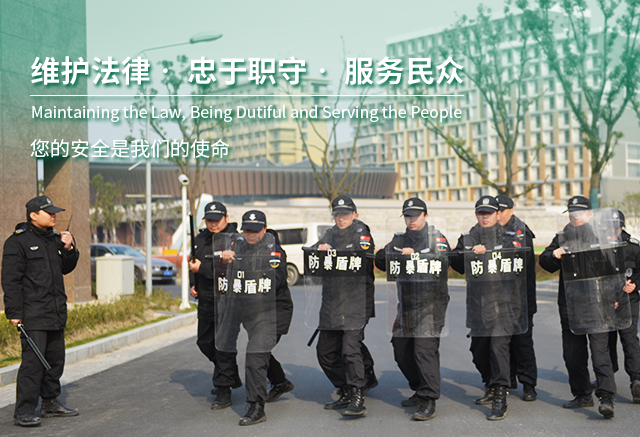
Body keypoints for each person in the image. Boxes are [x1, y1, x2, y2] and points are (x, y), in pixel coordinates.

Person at [2, 195, 80, 427]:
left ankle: (50, 402)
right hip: (33, 313)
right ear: (33, 215)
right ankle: (24, 410)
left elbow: (66, 267)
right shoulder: (17, 242)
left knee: (55, 360)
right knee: (33, 364)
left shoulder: (53, 240)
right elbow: (11, 280)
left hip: (55, 311)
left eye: (54, 212)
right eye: (49, 212)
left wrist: (69, 248)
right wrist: (14, 313)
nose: (54, 215)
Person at [539, 196, 616, 419]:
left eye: (579, 212)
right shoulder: (562, 236)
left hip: (597, 302)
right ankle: (582, 394)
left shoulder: (601, 235)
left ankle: (606, 397)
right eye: (571, 213)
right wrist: (554, 255)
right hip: (570, 304)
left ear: (590, 214)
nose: (575, 217)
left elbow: (615, 266)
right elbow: (544, 261)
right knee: (573, 354)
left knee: (600, 353)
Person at [374, 197, 450, 421]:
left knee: (424, 350)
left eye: (416, 215)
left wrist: (416, 256)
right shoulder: (399, 239)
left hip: (431, 303)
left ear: (425, 215)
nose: (412, 220)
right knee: (401, 349)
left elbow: (444, 261)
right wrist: (396, 254)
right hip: (406, 304)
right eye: (408, 216)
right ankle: (419, 387)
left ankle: (429, 398)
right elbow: (381, 260)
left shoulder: (437, 238)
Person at [217, 210, 294, 426]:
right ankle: (280, 382)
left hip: (273, 311)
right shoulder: (238, 246)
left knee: (255, 355)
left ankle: (256, 406)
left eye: (255, 230)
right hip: (250, 310)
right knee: (260, 353)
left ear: (265, 229)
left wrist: (252, 267)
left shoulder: (274, 250)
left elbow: (277, 279)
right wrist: (227, 261)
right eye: (247, 230)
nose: (250, 234)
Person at [450, 195, 523, 421]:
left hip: (504, 302)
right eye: (481, 213)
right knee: (478, 351)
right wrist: (469, 254)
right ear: (476, 215)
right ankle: (490, 383)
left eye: (489, 213)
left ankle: (500, 393)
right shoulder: (468, 238)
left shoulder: (510, 237)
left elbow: (518, 262)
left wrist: (489, 254)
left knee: (498, 348)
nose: (485, 217)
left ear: (497, 215)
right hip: (478, 304)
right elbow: (456, 263)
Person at [313, 195, 376, 417]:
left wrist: (337, 253)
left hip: (356, 302)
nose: (341, 218)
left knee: (350, 349)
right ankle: (346, 389)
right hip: (332, 303)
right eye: (337, 214)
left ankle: (358, 394)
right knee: (325, 351)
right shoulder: (330, 233)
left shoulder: (362, 233)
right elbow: (312, 255)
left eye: (346, 214)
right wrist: (319, 249)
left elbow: (364, 256)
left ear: (354, 215)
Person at [188, 201, 242, 409]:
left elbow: (229, 269)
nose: (212, 224)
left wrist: (201, 269)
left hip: (227, 301)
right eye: (209, 220)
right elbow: (193, 264)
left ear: (226, 218)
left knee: (223, 346)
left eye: (216, 220)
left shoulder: (235, 240)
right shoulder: (200, 239)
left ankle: (223, 389)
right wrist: (194, 284)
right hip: (206, 300)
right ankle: (229, 374)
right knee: (204, 342)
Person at [496, 195, 538, 401]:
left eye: (501, 211)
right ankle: (508, 378)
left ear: (511, 211)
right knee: (502, 343)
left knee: (522, 342)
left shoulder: (521, 233)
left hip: (520, 299)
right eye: (495, 211)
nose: (497, 215)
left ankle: (529, 384)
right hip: (497, 299)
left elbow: (522, 263)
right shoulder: (489, 230)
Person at [601, 209, 640, 403]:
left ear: (622, 227)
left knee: (630, 339)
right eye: (609, 226)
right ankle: (606, 381)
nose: (613, 230)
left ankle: (637, 380)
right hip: (605, 301)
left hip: (628, 301)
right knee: (605, 342)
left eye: (616, 226)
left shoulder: (633, 247)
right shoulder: (599, 246)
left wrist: (635, 285)